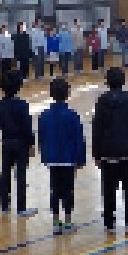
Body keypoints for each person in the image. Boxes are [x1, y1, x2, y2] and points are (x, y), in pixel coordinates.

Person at [94, 68, 128, 233]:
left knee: (108, 189)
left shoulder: (102, 102)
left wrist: (97, 154)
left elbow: (97, 129)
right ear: (123, 81)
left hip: (107, 151)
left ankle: (109, 223)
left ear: (107, 82)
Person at [39, 79, 86, 234]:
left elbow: (42, 138)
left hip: (52, 158)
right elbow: (79, 139)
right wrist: (80, 159)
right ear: (67, 94)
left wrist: (45, 157)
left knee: (54, 189)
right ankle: (67, 222)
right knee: (68, 190)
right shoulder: (72, 116)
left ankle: (55, 222)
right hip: (68, 159)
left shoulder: (44, 115)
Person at [0, 70, 38, 217]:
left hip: (6, 141)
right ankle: (21, 208)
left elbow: (1, 123)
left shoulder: (1, 103)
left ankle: (4, 205)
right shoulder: (22, 105)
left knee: (5, 172)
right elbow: (27, 127)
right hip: (21, 143)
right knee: (21, 174)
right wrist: (31, 144)